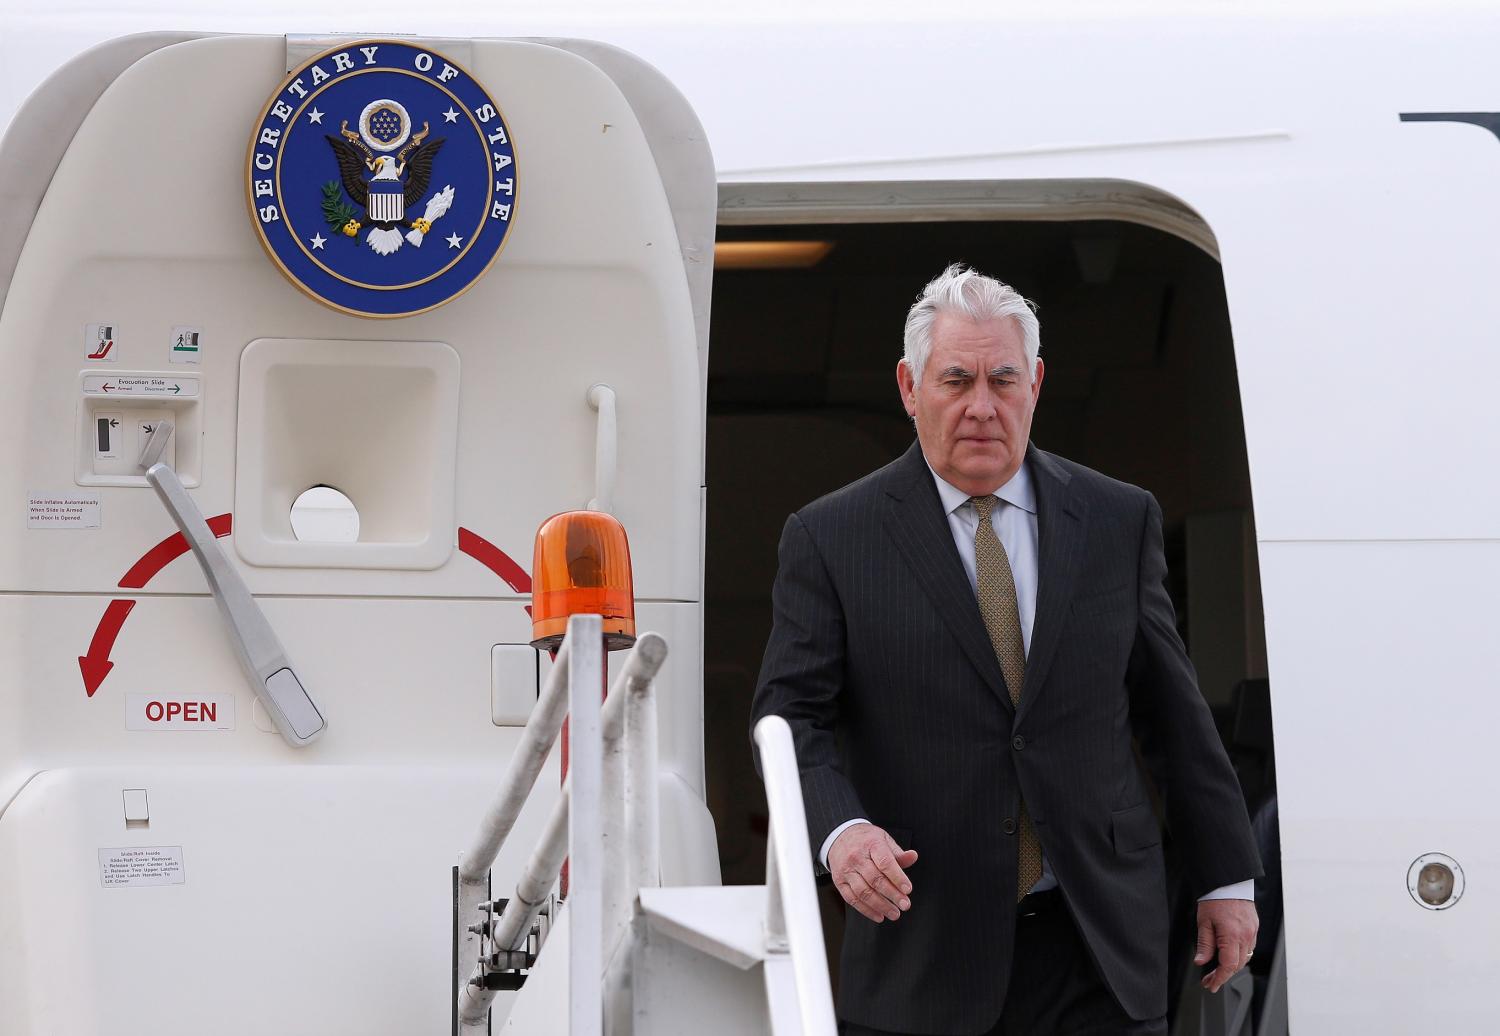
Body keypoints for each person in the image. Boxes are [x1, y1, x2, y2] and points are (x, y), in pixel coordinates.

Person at [749, 265, 1262, 1035]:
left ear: (1037, 384)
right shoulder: (830, 538)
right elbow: (789, 722)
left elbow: (1173, 716)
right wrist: (839, 831)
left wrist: (1226, 876)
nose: (981, 407)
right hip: (925, 955)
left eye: (1002, 380)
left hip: (1100, 946)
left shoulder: (1119, 521)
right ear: (909, 386)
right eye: (956, 380)